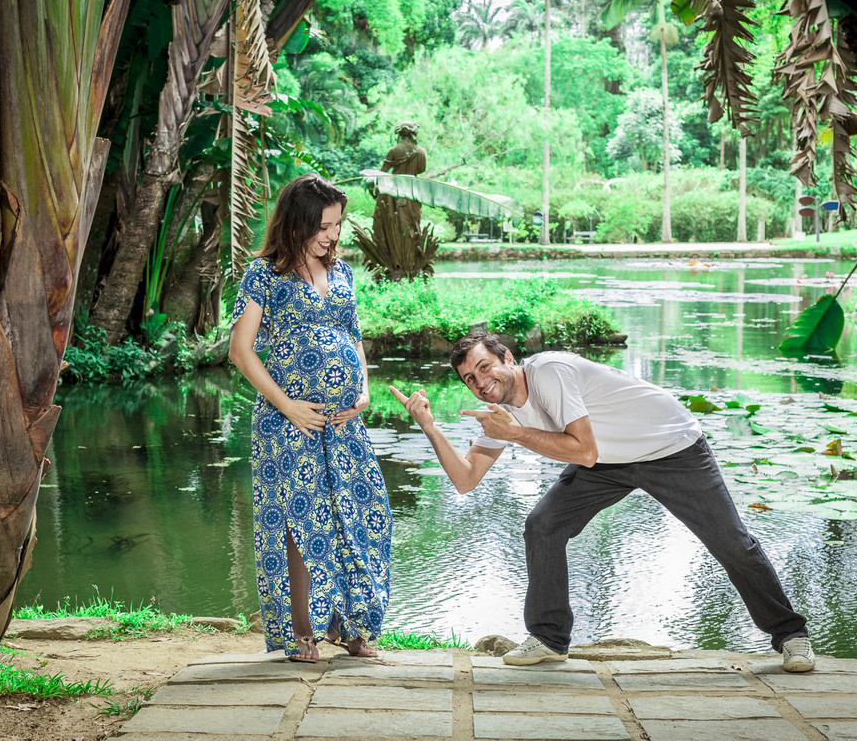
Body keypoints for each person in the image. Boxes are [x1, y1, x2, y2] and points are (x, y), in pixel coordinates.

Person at [389, 332, 814, 672]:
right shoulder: (499, 413)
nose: (482, 383)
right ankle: (549, 639)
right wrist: (428, 426)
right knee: (543, 525)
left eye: (485, 367)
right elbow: (465, 480)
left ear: (508, 358)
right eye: (470, 379)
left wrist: (515, 434)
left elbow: (584, 451)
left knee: (730, 542)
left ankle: (791, 635)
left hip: (670, 448)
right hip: (609, 461)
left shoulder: (549, 372)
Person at [229, 174, 391, 663]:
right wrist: (287, 405)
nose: (332, 235)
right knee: (301, 527)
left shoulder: (340, 272)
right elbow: (241, 351)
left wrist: (362, 389)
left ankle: (354, 628)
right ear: (297, 222)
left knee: (360, 517)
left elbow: (354, 337)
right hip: (290, 422)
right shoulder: (264, 274)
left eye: (337, 224)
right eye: (323, 226)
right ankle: (303, 635)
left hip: (344, 422)